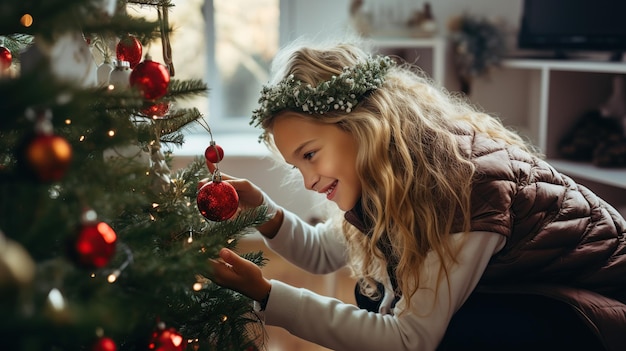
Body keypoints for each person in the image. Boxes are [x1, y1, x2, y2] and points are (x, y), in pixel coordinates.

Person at [205, 39, 626, 351]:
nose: (309, 180)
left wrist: (266, 294)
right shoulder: (387, 175)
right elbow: (324, 254)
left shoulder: (463, 185)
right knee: (371, 296)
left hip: (600, 310)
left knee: (431, 327)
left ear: (363, 125)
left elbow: (411, 340)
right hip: (537, 290)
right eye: (297, 166)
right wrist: (263, 211)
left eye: (310, 155)